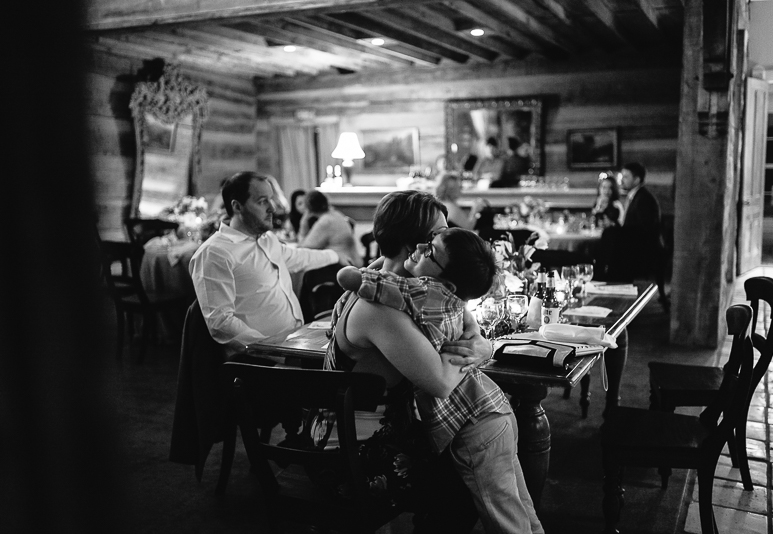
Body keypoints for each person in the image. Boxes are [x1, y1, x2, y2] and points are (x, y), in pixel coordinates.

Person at [325, 190, 542, 533]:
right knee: (472, 469)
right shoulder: (380, 307)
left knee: (488, 452)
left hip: (388, 428)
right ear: (417, 245)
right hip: (356, 448)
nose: (446, 239)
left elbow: (465, 321)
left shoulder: (396, 285)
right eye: (439, 235)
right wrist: (478, 350)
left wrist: (482, 346)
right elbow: (440, 381)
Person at [189, 171, 345, 355]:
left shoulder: (266, 239)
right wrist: (272, 348)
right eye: (262, 201)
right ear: (237, 207)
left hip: (293, 343)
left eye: (270, 199)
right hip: (259, 360)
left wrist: (335, 255)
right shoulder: (215, 253)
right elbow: (220, 322)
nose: (272, 207)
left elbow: (298, 257)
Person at [602, 162, 669, 306]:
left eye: (626, 177)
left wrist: (616, 230)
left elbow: (643, 232)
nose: (622, 180)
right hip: (637, 247)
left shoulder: (644, 199)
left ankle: (614, 299)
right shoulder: (636, 196)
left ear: (637, 180)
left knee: (611, 247)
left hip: (646, 252)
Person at [297, 190, 360, 267]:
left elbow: (304, 248)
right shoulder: (336, 214)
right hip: (352, 260)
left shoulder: (325, 222)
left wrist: (304, 222)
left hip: (341, 265)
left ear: (309, 208)